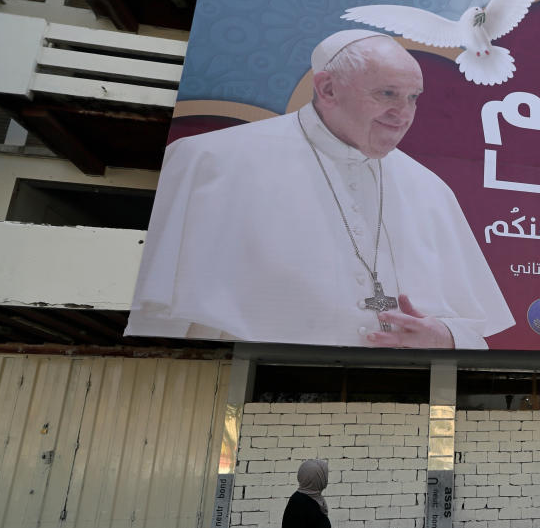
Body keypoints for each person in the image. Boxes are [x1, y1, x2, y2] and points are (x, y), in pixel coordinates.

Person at [126, 30, 514, 349]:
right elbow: (156, 318)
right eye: (387, 94)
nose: (403, 114)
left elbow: (472, 332)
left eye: (413, 98)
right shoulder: (210, 160)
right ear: (328, 89)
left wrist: (444, 336)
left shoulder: (431, 190)